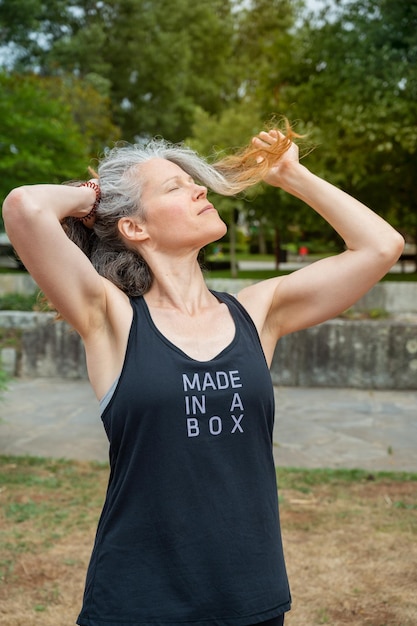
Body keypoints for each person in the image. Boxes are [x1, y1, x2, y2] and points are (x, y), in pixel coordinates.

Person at [2, 125, 404, 626]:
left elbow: (381, 246)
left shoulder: (258, 313)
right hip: (138, 602)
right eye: (174, 186)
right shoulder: (111, 318)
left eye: (194, 182)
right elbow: (26, 207)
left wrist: (292, 175)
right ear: (134, 228)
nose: (199, 189)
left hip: (251, 599)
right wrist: (98, 196)